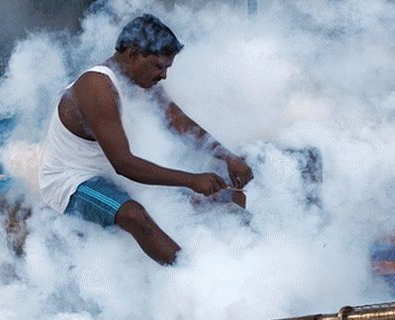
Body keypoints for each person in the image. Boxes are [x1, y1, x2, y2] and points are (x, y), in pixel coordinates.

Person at [39, 14, 253, 265]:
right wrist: (191, 180)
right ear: (132, 56)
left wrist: (229, 157)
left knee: (226, 195)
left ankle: (246, 257)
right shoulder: (95, 86)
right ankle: (192, 277)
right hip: (73, 181)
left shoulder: (141, 83)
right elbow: (123, 163)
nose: (163, 76)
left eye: (167, 68)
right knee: (135, 215)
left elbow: (179, 123)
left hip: (113, 175)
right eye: (159, 66)